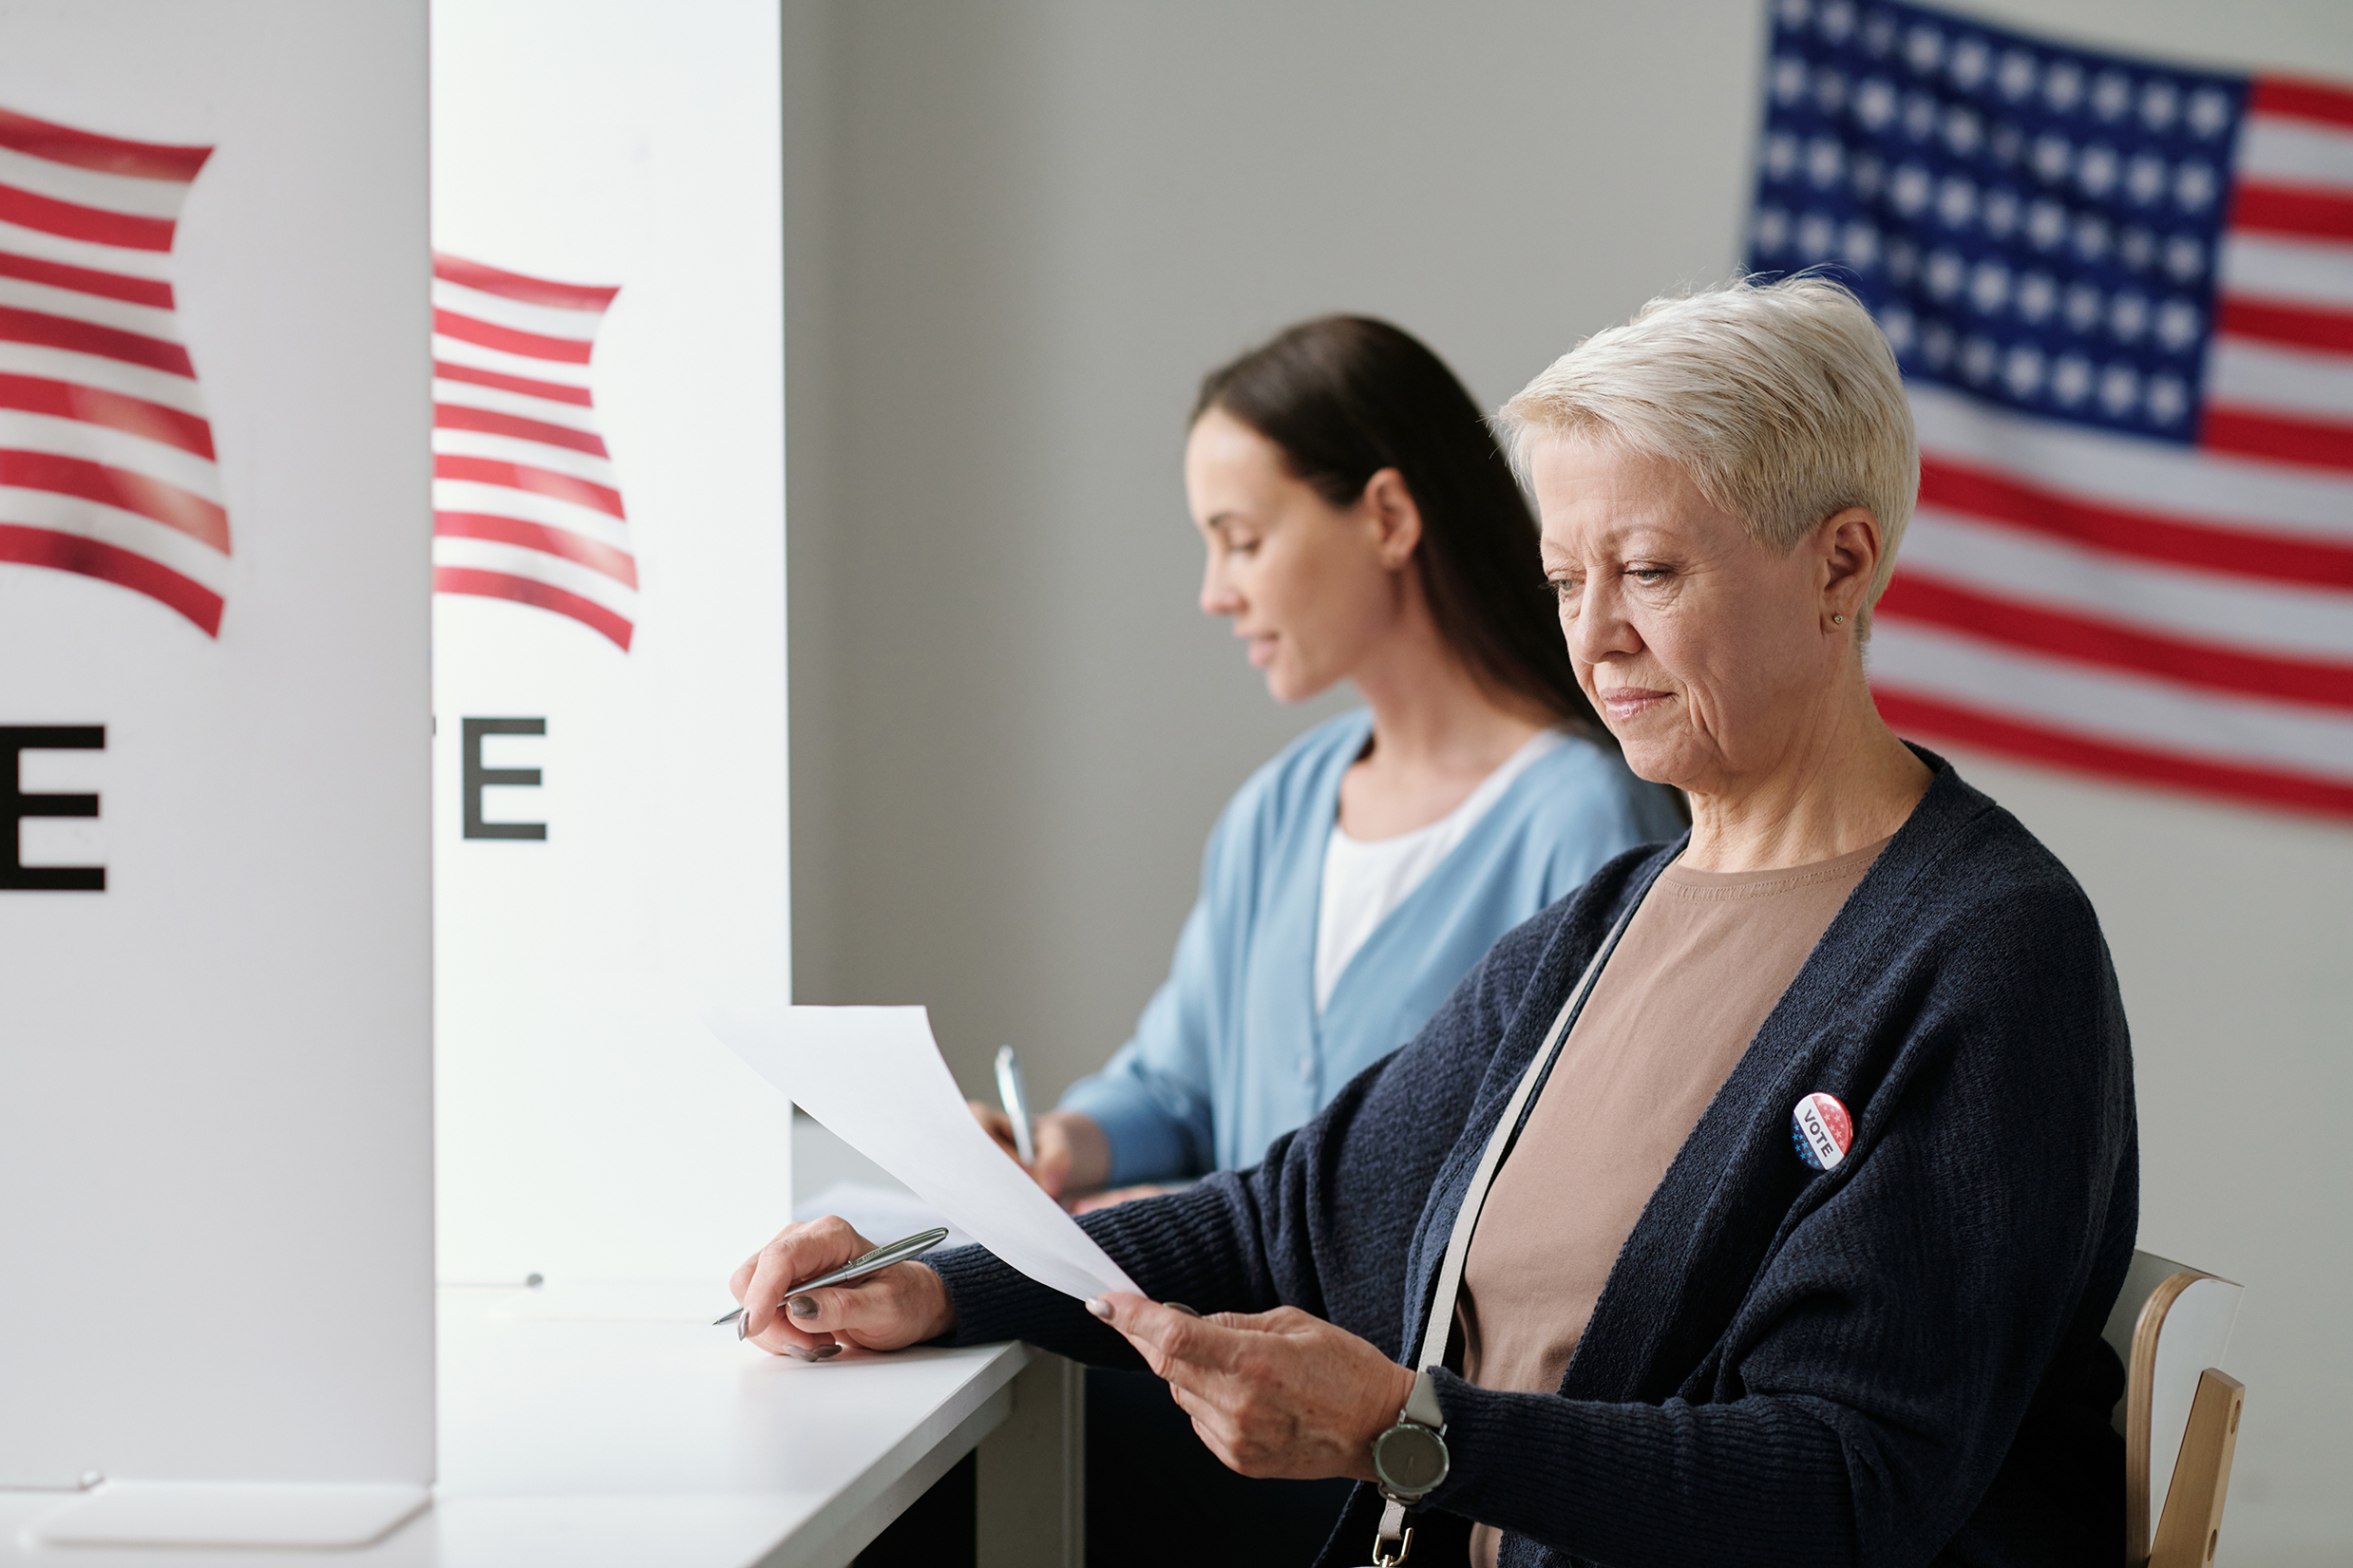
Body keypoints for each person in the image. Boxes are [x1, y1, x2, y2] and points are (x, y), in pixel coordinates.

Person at [732, 276, 2138, 1568]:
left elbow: (1843, 1480)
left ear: (1840, 565)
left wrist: (1406, 1429)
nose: (1594, 639)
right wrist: (935, 1285)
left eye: (1646, 572)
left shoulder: (1984, 954)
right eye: (1563, 581)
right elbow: (1290, 1216)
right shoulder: (1603, 926)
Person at [971, 315, 1682, 1564]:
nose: (1214, 590)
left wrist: (1191, 1224)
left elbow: (1554, 1230)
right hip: (1221, 1392)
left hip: (1374, 1449)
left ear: (1388, 517)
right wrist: (1058, 1142)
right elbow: (1177, 1079)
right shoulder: (1283, 806)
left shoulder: (1584, 823)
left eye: (1240, 540)